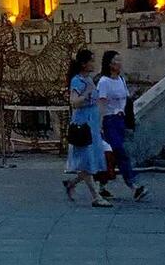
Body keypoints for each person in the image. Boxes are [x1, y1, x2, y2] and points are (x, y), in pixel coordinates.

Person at [97, 51, 148, 201]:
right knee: (119, 151)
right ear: (110, 64)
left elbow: (126, 100)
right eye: (116, 60)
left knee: (112, 154)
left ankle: (101, 185)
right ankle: (133, 185)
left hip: (120, 119)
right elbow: (101, 103)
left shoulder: (120, 80)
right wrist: (99, 124)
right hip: (109, 120)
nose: (119, 63)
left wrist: (129, 120)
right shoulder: (104, 82)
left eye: (120, 60)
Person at [63, 49, 111, 207]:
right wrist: (87, 94)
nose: (93, 63)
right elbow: (74, 102)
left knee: (90, 160)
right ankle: (96, 196)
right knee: (87, 159)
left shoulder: (89, 79)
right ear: (84, 64)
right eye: (91, 60)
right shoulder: (77, 81)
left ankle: (72, 184)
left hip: (92, 123)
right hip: (83, 124)